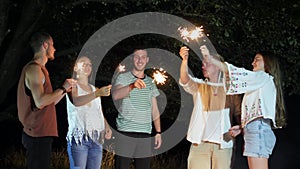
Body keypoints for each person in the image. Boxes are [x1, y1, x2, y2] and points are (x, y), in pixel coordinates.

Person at [200, 45, 286, 169]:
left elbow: (234, 72)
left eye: (257, 59)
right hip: (255, 130)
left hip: (258, 130)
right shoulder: (259, 82)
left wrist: (211, 59)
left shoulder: (263, 77)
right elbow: (256, 111)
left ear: (267, 63)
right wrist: (242, 127)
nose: (252, 63)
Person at [17, 32, 74, 169]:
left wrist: (65, 90)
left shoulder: (42, 70)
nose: (54, 49)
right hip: (37, 133)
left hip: (42, 133)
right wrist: (62, 88)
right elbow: (40, 102)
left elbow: (48, 103)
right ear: (45, 45)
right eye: (52, 45)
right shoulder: (34, 69)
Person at [179, 46, 242, 169]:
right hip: (200, 144)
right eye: (202, 64)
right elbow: (184, 79)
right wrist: (184, 60)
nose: (203, 66)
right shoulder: (200, 86)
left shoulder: (230, 89)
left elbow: (240, 114)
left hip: (222, 146)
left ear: (218, 66)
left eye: (207, 63)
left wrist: (240, 128)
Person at [112, 49, 162, 169]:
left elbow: (154, 109)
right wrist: (132, 85)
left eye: (143, 57)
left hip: (145, 133)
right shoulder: (123, 77)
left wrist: (158, 132)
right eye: (136, 57)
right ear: (132, 59)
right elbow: (116, 95)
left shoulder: (150, 82)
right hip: (126, 132)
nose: (140, 60)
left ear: (147, 60)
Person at [66, 56, 112, 169]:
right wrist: (97, 94)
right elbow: (76, 101)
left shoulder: (94, 89)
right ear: (76, 67)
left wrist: (107, 126)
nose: (87, 66)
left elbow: (99, 111)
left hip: (96, 137)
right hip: (79, 137)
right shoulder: (72, 86)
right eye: (84, 63)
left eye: (90, 64)